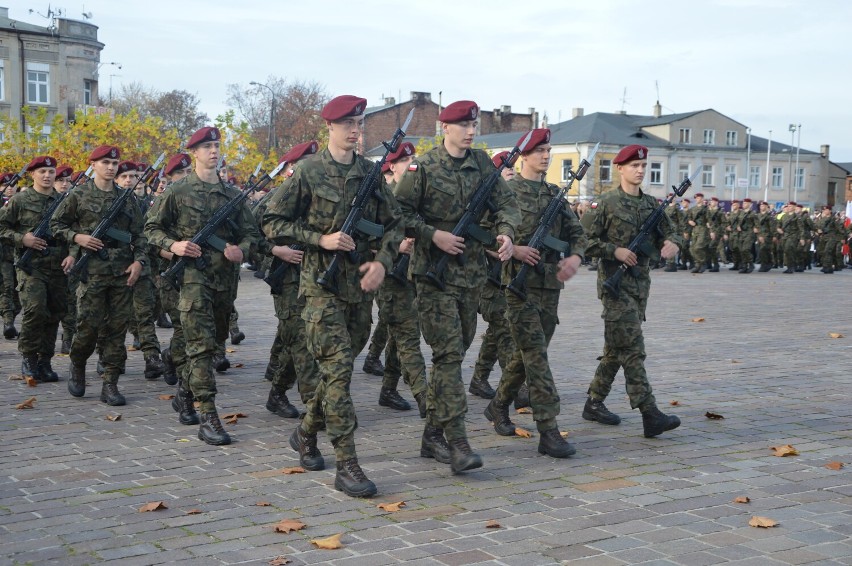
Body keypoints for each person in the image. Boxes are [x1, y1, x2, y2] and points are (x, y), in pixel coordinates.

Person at [263, 95, 402, 497]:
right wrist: (317, 238)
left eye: (359, 123)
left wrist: (383, 263)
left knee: (334, 373)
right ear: (330, 128)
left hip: (357, 291)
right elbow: (271, 221)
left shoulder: (370, 175)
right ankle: (347, 465)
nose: (356, 131)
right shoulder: (307, 172)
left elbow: (395, 224)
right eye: (348, 124)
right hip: (318, 289)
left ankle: (306, 432)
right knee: (339, 373)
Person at [395, 99, 519, 473]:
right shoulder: (424, 167)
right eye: (463, 125)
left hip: (470, 277)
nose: (470, 131)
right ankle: (457, 440)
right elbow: (398, 212)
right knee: (448, 355)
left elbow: (506, 204)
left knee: (457, 351)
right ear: (444, 127)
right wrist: (433, 235)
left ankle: (432, 432)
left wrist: (506, 233)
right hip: (433, 276)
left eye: (474, 125)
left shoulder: (482, 165)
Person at [146, 127, 260, 445]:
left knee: (213, 345)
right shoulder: (177, 192)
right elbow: (151, 229)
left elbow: (253, 235)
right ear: (193, 152)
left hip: (225, 283)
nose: (213, 151)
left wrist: (243, 250)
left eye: (216, 145)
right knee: (199, 347)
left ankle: (184, 392)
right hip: (193, 281)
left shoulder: (232, 196)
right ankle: (208, 415)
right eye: (207, 146)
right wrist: (174, 246)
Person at [482, 128, 586, 458]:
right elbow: (484, 235)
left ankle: (497, 405)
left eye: (549, 149)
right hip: (517, 287)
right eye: (540, 150)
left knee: (525, 357)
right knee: (537, 357)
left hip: (549, 287)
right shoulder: (506, 192)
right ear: (524, 155)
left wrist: (574, 257)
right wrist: (514, 250)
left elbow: (578, 234)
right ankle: (548, 429)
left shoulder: (556, 195)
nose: (546, 155)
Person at [581, 144, 682, 438]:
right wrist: (615, 251)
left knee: (616, 350)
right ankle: (649, 413)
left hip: (640, 288)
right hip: (614, 288)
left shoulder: (652, 205)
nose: (640, 171)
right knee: (634, 350)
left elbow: (672, 231)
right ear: (620, 169)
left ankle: (594, 402)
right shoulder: (605, 204)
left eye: (643, 166)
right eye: (634, 166)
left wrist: (672, 243)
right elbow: (583, 240)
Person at [51, 145, 147, 406]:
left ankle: (110, 383)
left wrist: (139, 261)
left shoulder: (127, 198)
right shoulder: (78, 195)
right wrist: (77, 237)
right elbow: (55, 225)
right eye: (105, 162)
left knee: (117, 331)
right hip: (92, 271)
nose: (111, 167)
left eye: (114, 163)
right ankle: (78, 363)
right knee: (89, 328)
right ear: (93, 164)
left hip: (122, 272)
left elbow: (140, 235)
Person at [257, 140, 323, 420]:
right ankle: (316, 409)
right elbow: (251, 234)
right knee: (300, 341)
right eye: (305, 162)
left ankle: (277, 392)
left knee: (299, 341)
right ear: (290, 170)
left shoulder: (321, 196)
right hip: (288, 281)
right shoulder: (275, 198)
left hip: (316, 277)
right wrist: (275, 250)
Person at [0, 155, 73, 383]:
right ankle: (29, 358)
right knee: (35, 310)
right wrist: (23, 239)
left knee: (53, 314)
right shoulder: (20, 200)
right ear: (33, 174)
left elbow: (73, 232)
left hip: (57, 264)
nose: (47, 175)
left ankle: (45, 361)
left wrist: (72, 255)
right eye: (42, 172)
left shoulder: (63, 201)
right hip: (31, 266)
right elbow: (2, 228)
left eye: (51, 172)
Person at [372, 141, 428, 415]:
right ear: (392, 166)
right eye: (405, 162)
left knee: (399, 337)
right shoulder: (381, 197)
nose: (411, 165)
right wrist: (396, 246)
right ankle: (426, 400)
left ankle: (389, 389)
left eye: (413, 160)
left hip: (414, 276)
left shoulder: (415, 197)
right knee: (408, 339)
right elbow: (368, 236)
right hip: (392, 279)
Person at [469, 151, 516, 401]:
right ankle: (517, 385)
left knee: (497, 331)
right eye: (506, 168)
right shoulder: (484, 202)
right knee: (504, 327)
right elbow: (475, 233)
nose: (511, 171)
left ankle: (479, 378)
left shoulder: (509, 204)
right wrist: (497, 248)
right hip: (488, 277)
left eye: (512, 168)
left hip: (509, 277)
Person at [53, 165, 77, 353]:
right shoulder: (45, 201)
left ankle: (68, 338)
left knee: (71, 301)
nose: (64, 184)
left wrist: (74, 253)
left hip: (70, 258)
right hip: (42, 262)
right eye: (60, 180)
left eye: (67, 180)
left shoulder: (73, 201)